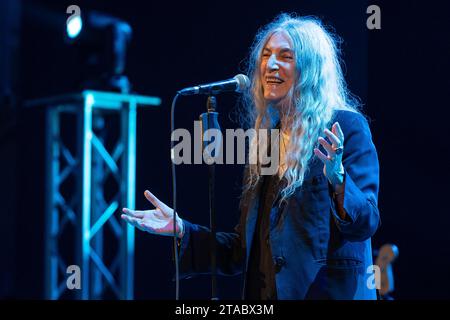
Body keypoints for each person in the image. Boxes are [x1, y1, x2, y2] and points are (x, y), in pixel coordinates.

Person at [121, 13, 380, 300]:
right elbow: (242, 251)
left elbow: (366, 222)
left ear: (311, 69)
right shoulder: (265, 143)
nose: (270, 64)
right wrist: (183, 229)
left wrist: (339, 179)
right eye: (266, 55)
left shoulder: (344, 127)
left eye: (285, 56)